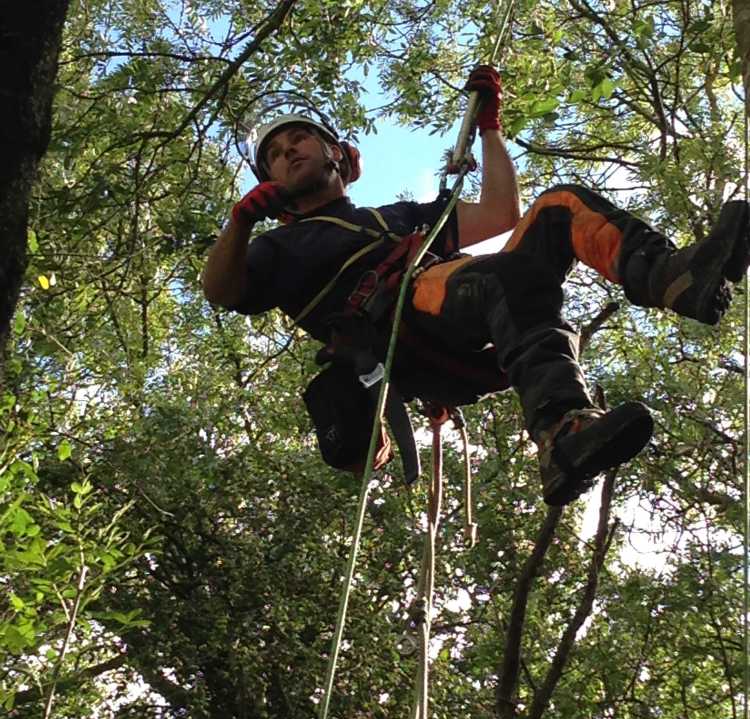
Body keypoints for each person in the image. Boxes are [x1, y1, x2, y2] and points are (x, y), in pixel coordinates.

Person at [202, 66, 750, 506]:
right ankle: (561, 433)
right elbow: (222, 292)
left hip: (453, 306)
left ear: (338, 156)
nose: (289, 151)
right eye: (275, 154)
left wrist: (490, 129)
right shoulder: (276, 247)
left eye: (300, 140)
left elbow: (499, 213)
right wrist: (242, 222)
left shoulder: (395, 216)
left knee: (558, 207)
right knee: (498, 277)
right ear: (269, 181)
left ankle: (672, 278)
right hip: (397, 325)